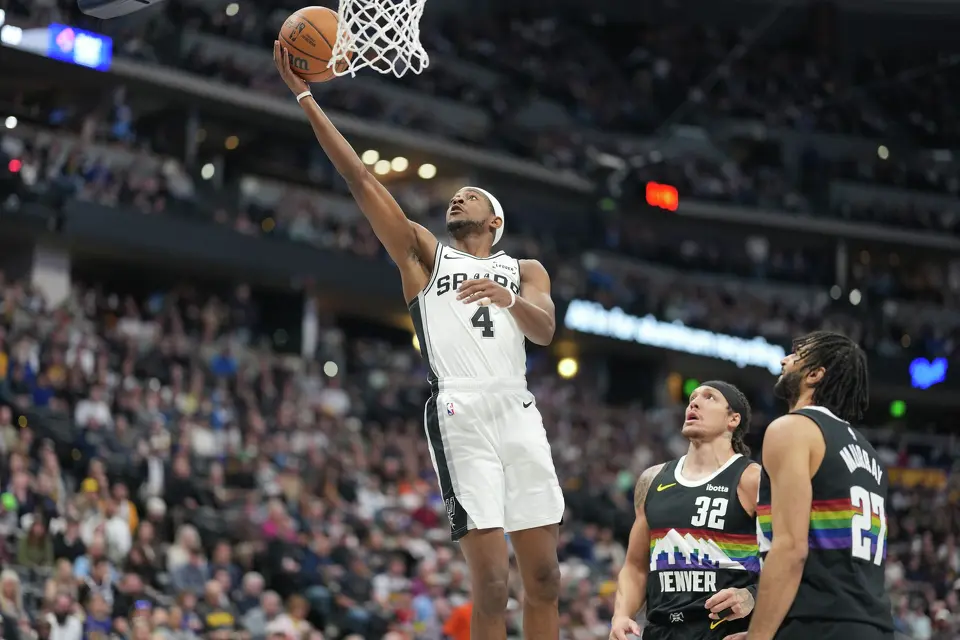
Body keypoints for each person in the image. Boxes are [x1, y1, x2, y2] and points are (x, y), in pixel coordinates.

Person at [274, 43, 564, 640]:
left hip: (518, 405)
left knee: (546, 580)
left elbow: (546, 330)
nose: (459, 196)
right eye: (457, 195)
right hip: (459, 408)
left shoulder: (526, 269)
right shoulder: (422, 253)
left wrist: (508, 298)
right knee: (491, 588)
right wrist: (306, 97)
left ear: (495, 222)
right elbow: (358, 176)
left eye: (473, 197)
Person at [744, 331, 893, 640]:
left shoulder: (793, 429)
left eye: (796, 356)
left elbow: (791, 548)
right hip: (873, 625)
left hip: (816, 623)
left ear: (814, 374)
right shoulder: (870, 454)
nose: (784, 360)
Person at [610, 382, 760, 640]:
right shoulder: (652, 479)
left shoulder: (752, 478)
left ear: (733, 419)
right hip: (660, 630)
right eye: (692, 398)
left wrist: (753, 595)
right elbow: (635, 566)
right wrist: (621, 614)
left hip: (724, 630)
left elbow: (790, 556)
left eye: (709, 397)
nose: (694, 402)